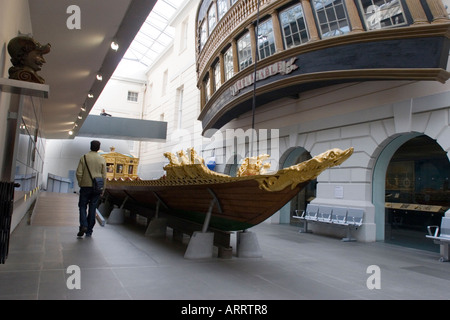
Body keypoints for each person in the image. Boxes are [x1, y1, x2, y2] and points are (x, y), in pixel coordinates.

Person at [76, 140, 106, 238]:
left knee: (82, 206)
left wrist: (81, 183)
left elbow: (78, 173)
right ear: (98, 148)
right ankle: (89, 231)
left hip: (85, 186)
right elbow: (104, 176)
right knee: (93, 208)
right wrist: (103, 189)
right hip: (97, 187)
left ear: (90, 147)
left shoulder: (84, 157)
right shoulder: (102, 159)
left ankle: (83, 225)